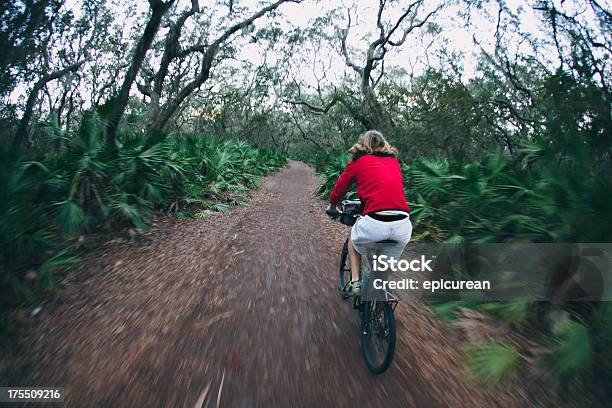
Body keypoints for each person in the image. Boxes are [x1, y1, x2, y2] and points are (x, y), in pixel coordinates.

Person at [326, 130, 412, 296]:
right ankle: (383, 297)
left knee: (353, 241)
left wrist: (332, 205)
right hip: (403, 225)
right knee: (385, 268)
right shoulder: (393, 161)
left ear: (363, 143)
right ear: (383, 143)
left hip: (375, 222)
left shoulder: (358, 161)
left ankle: (355, 283)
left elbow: (340, 187)